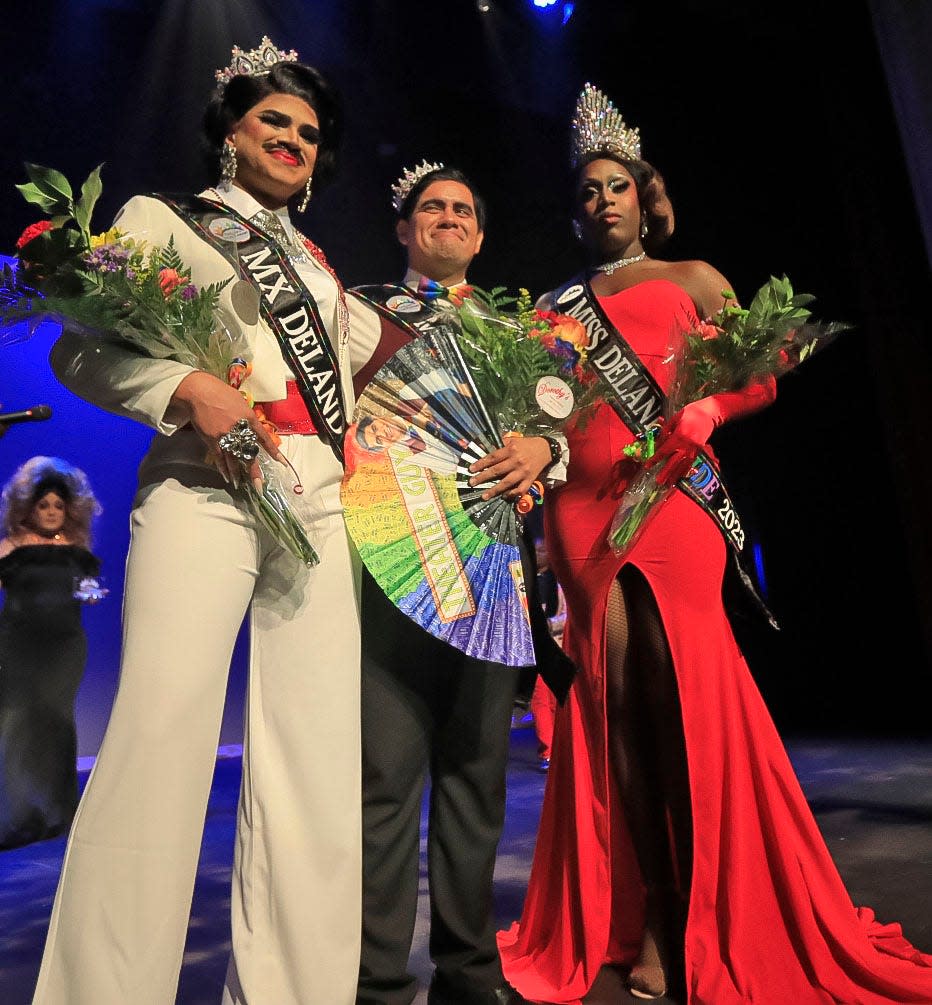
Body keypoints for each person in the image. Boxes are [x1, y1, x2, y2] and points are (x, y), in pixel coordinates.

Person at [498, 84, 932, 1004]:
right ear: (574, 211)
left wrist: (710, 404)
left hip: (672, 499)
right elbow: (538, 405)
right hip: (581, 505)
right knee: (614, 716)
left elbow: (764, 374)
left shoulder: (697, 278)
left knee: (675, 700)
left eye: (617, 184)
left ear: (644, 194)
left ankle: (711, 905)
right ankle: (654, 915)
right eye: (586, 190)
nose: (602, 199)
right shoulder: (549, 304)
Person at [32, 38, 362, 1004]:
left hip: (320, 496)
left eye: (307, 130)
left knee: (314, 761)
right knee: (160, 737)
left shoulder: (320, 265)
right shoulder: (162, 220)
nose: (293, 139)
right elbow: (77, 355)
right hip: (203, 484)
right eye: (273, 120)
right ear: (229, 128)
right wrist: (183, 387)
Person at [348, 163, 576, 1005]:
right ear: (405, 229)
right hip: (396, 575)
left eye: (462, 210)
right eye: (430, 208)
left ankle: (470, 971)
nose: (446, 218)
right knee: (383, 780)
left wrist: (542, 450)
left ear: (478, 237)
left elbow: (559, 427)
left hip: (490, 577)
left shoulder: (519, 333)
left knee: (477, 778)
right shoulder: (360, 312)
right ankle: (374, 977)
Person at [0, 456, 102, 850]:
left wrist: (91, 592)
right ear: (29, 507)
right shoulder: (12, 546)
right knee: (12, 723)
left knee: (56, 721)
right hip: (18, 644)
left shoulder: (77, 549)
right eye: (44, 505)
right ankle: (14, 815)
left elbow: (89, 591)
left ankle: (56, 813)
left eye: (58, 505)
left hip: (64, 648)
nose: (51, 512)